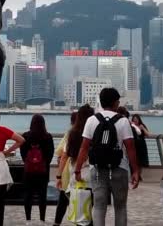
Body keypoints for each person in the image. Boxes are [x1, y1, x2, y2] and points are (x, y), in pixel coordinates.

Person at [74, 88, 140, 226]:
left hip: (97, 168)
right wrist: (135, 171)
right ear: (116, 102)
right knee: (120, 207)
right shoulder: (123, 121)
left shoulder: (92, 120)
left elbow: (84, 147)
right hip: (120, 168)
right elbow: (130, 148)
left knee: (98, 206)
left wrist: (78, 169)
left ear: (101, 102)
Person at [20, 114, 54, 224]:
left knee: (28, 195)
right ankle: (42, 219)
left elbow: (23, 153)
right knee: (42, 196)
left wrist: (29, 162)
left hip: (29, 171)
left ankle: (28, 220)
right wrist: (43, 163)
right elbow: (50, 154)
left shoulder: (25, 136)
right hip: (43, 172)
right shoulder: (48, 137)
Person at [53, 111, 77, 226]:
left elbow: (60, 152)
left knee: (63, 199)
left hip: (67, 169)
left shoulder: (70, 133)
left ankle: (57, 223)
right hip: (80, 170)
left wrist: (58, 175)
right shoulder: (86, 132)